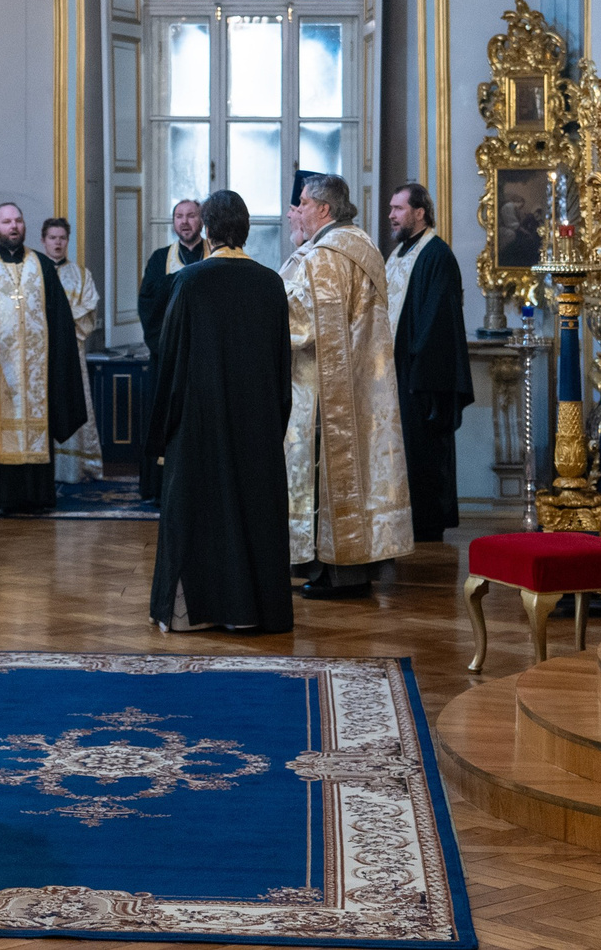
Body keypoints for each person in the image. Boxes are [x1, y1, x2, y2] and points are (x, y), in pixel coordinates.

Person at [146, 190, 293, 634]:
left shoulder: (190, 282)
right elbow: (281, 364)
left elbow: (171, 361)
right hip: (258, 424)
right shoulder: (270, 283)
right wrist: (274, 423)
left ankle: (194, 614)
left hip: (198, 424)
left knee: (197, 514)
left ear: (207, 230)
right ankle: (254, 612)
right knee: (254, 515)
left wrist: (163, 431)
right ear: (245, 229)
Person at [281, 175, 413, 598]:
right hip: (362, 381)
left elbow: (302, 324)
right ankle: (348, 567)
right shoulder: (363, 245)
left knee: (328, 473)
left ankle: (334, 572)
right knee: (360, 471)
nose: (296, 211)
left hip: (326, 389)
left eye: (302, 203)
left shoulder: (325, 256)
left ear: (324, 209)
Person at [0, 202, 87, 517]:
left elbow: (61, 319)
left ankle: (34, 498)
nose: (13, 226)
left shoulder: (42, 266)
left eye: (18, 221)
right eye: (7, 221)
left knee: (36, 426)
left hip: (35, 374)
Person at [385, 183, 473, 543]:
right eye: (391, 208)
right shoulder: (400, 254)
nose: (391, 215)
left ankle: (426, 523)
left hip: (421, 377)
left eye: (398, 208)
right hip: (396, 371)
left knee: (423, 451)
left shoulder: (436, 255)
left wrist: (417, 371)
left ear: (420, 213)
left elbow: (437, 321)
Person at [135, 198, 206, 500]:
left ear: (202, 220)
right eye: (179, 216)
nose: (185, 222)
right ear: (173, 221)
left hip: (205, 361)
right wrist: (163, 347)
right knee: (164, 418)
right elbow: (147, 305)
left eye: (191, 216)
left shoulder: (215, 255)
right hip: (167, 359)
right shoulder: (159, 258)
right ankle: (160, 489)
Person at [39, 216, 104, 482]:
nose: (57, 243)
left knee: (73, 400)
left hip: (70, 353)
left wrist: (59, 327)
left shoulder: (81, 274)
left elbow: (88, 311)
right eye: (52, 238)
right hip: (39, 354)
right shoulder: (34, 273)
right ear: (43, 241)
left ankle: (75, 469)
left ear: (68, 241)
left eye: (62, 238)